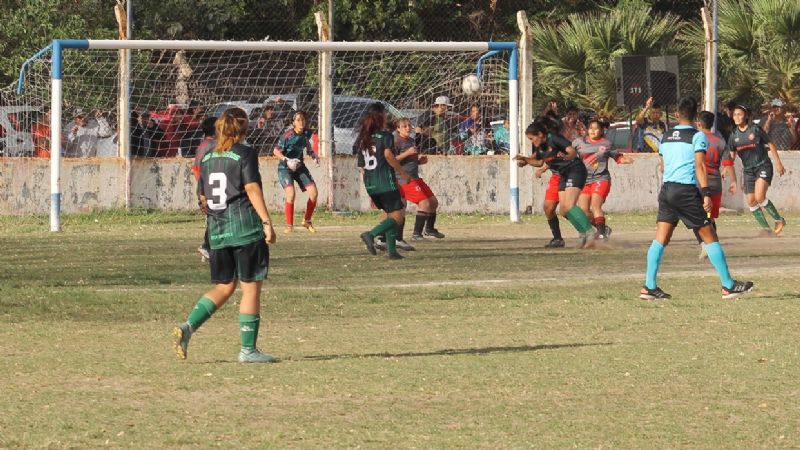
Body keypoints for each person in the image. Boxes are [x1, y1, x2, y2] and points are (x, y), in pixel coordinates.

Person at [172, 107, 278, 363]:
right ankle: (248, 351)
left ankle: (188, 326)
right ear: (244, 128)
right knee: (250, 288)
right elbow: (251, 187)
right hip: (244, 229)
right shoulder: (245, 153)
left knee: (224, 286)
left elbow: (203, 197)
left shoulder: (207, 157)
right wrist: (266, 222)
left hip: (217, 231)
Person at [641, 96, 753, 301]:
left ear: (676, 115)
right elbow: (700, 165)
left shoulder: (666, 136)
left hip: (666, 190)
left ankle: (649, 286)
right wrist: (706, 192)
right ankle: (728, 286)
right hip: (685, 191)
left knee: (660, 238)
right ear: (696, 117)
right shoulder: (697, 136)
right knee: (709, 235)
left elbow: (664, 165)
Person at [515, 117, 596, 248]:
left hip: (575, 170)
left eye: (532, 138)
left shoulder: (554, 138)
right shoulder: (541, 147)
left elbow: (571, 151)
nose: (531, 141)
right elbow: (539, 162)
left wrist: (568, 156)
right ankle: (583, 233)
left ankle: (591, 232)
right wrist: (525, 160)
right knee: (564, 211)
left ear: (540, 134)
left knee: (569, 205)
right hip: (564, 174)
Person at [357, 104, 411, 260]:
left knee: (390, 214)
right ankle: (371, 234)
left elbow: (362, 167)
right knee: (397, 217)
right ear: (380, 116)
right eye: (385, 114)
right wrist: (402, 172)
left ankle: (392, 251)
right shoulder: (386, 136)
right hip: (385, 182)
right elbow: (387, 155)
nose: (387, 116)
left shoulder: (364, 139)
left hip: (370, 183)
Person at [726, 104, 787, 235]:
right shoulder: (733, 135)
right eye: (734, 114)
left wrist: (778, 163)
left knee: (760, 197)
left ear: (746, 116)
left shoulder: (755, 129)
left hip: (763, 165)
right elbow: (731, 156)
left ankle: (779, 220)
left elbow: (770, 143)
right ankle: (766, 230)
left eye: (739, 114)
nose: (736, 117)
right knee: (751, 201)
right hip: (748, 170)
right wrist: (726, 169)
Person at [574, 118, 633, 241]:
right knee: (583, 210)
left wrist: (624, 160)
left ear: (601, 131)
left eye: (596, 128)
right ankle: (603, 228)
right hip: (584, 180)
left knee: (596, 206)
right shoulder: (579, 142)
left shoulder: (606, 144)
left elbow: (617, 156)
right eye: (590, 128)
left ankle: (601, 234)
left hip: (601, 178)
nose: (593, 131)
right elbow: (568, 153)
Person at [393, 117, 445, 242]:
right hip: (404, 179)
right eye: (404, 126)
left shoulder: (411, 140)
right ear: (398, 129)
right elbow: (392, 160)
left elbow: (409, 160)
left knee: (433, 203)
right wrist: (407, 153)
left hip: (415, 177)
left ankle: (429, 229)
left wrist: (419, 160)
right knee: (424, 203)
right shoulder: (395, 141)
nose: (407, 128)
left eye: (409, 126)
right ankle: (416, 234)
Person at [695, 111, 736, 259]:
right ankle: (714, 248)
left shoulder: (695, 139)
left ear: (699, 123)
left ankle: (705, 245)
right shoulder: (720, 141)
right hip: (715, 184)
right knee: (710, 218)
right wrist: (734, 181)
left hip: (699, 183)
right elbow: (728, 163)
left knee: (698, 218)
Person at [273, 111, 320, 234]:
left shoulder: (306, 133)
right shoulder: (287, 136)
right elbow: (276, 151)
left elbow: (307, 145)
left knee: (314, 193)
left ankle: (307, 221)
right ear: (293, 122)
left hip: (299, 167)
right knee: (291, 194)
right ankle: (289, 226)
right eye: (298, 120)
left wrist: (313, 154)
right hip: (285, 168)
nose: (301, 122)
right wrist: (286, 160)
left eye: (303, 119)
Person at [191, 116, 219, 263]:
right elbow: (199, 170)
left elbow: (196, 169)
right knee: (217, 218)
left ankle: (208, 251)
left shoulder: (203, 145)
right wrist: (204, 191)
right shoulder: (213, 145)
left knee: (213, 219)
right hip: (210, 190)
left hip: (207, 189)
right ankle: (206, 246)